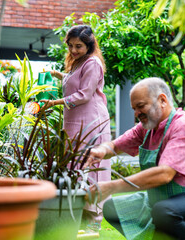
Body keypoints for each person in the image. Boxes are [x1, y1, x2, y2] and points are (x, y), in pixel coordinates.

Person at [85, 77, 185, 240]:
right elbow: (116, 146)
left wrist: (111, 187)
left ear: (162, 100)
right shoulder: (146, 128)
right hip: (163, 202)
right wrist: (101, 150)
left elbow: (164, 174)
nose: (137, 113)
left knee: (164, 211)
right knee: (112, 207)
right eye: (134, 109)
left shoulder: (184, 126)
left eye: (140, 106)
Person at [40, 25, 111, 232]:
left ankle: (95, 220)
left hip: (91, 121)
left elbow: (84, 94)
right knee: (77, 168)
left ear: (89, 45)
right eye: (70, 46)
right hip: (75, 121)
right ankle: (80, 214)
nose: (73, 50)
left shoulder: (93, 62)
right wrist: (60, 75)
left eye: (78, 46)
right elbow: (76, 83)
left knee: (92, 169)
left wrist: (54, 103)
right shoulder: (79, 63)